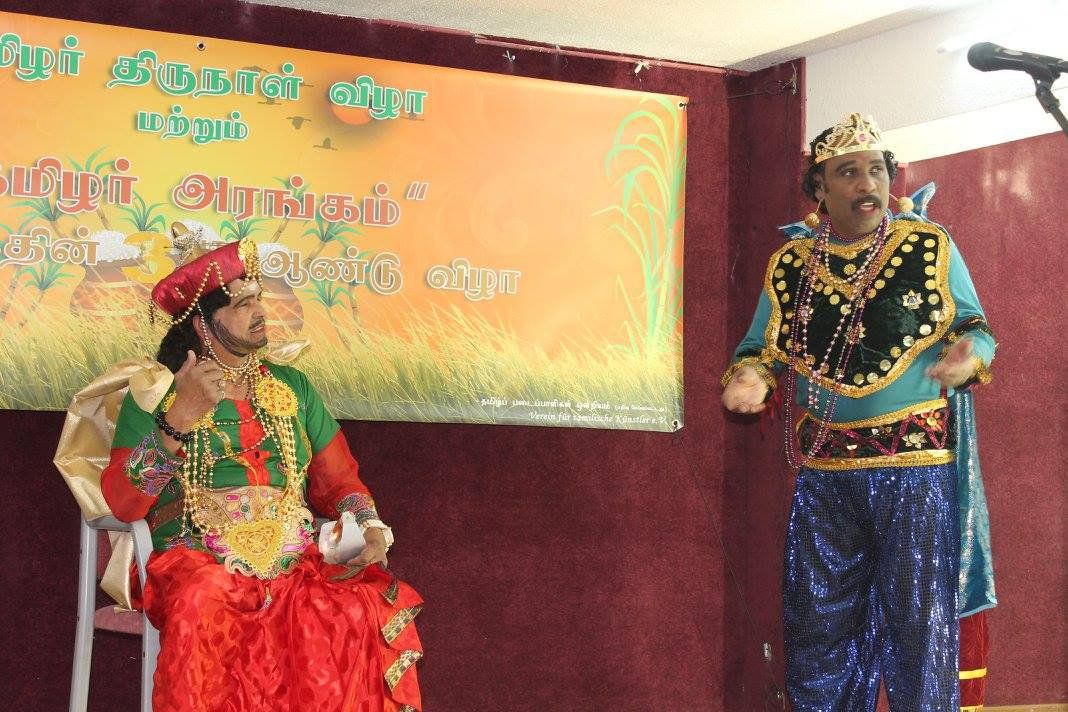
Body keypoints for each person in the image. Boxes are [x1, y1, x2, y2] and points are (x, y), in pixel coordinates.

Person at [721, 113, 995, 711]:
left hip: (914, 470)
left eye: (877, 170)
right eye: (848, 172)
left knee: (919, 628)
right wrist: (750, 376)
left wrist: (970, 356)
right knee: (819, 625)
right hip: (826, 474)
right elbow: (761, 348)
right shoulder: (791, 264)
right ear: (820, 188)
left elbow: (975, 327)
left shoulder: (929, 246)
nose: (867, 183)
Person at [100, 234, 423, 712]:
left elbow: (339, 482)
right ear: (202, 323)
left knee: (353, 605)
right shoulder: (157, 392)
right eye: (242, 303)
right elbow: (123, 502)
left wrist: (368, 525)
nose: (260, 311)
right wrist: (178, 419)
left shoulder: (291, 386)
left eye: (258, 298)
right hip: (195, 557)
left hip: (293, 558)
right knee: (207, 598)